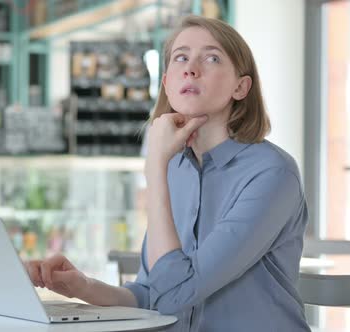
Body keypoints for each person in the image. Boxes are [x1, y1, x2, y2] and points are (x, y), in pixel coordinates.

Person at [25, 15, 310, 331]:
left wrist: (154, 167)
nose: (191, 68)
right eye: (181, 57)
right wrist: (83, 287)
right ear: (167, 83)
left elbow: (177, 294)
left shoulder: (272, 173)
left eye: (211, 58)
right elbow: (153, 293)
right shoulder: (176, 167)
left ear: (241, 87)